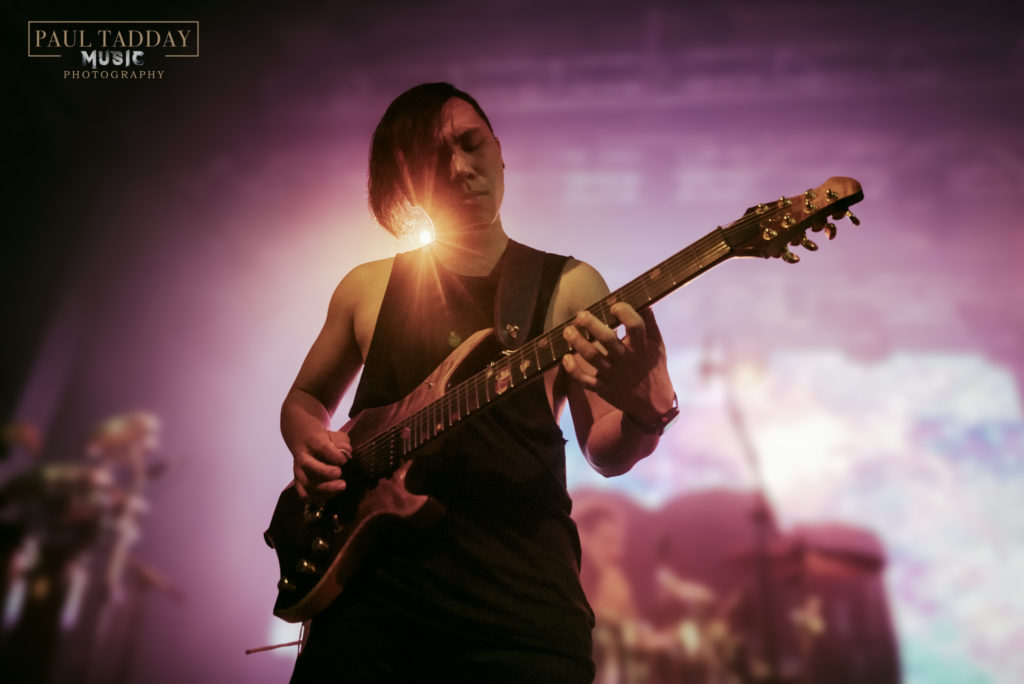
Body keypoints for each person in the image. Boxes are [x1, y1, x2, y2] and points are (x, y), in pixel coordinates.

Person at [281, 82, 677, 683]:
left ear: (499, 150)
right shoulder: (366, 288)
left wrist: (648, 414)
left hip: (518, 612)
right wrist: (308, 437)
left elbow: (605, 449)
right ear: (406, 182)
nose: (461, 169)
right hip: (368, 610)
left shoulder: (568, 286)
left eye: (471, 145)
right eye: (435, 160)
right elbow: (305, 398)